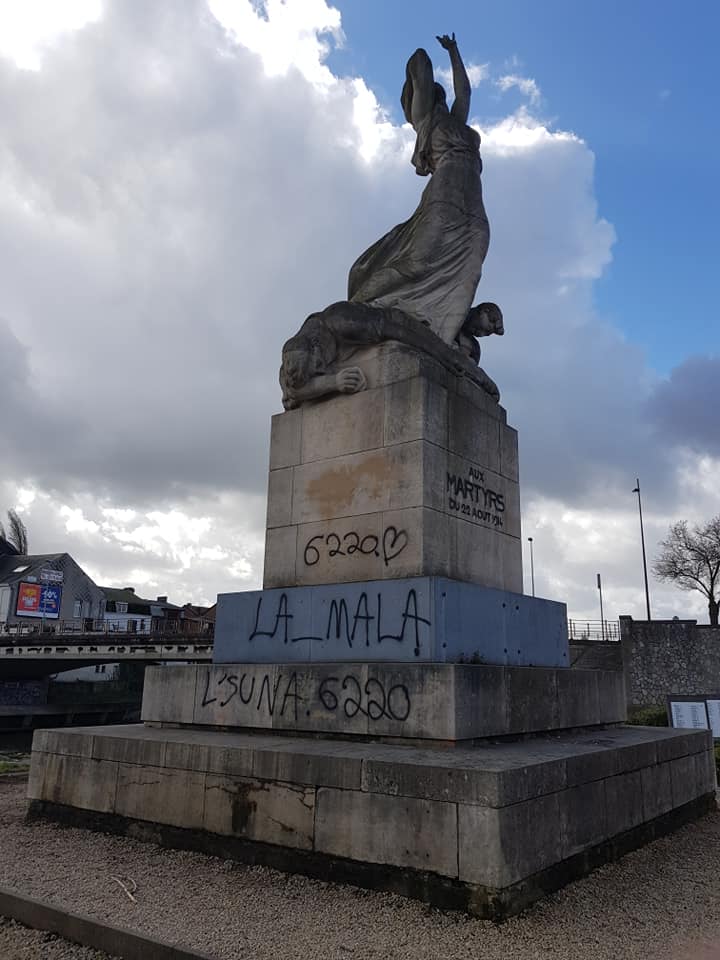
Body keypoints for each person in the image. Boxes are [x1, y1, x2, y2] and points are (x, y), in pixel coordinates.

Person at [348, 34, 490, 345]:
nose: (440, 95)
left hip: (473, 197)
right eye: (433, 93)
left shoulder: (456, 121)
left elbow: (464, 91)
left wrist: (454, 51)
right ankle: (358, 304)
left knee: (472, 261)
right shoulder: (426, 119)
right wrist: (423, 75)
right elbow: (420, 62)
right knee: (419, 262)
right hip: (445, 191)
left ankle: (443, 338)